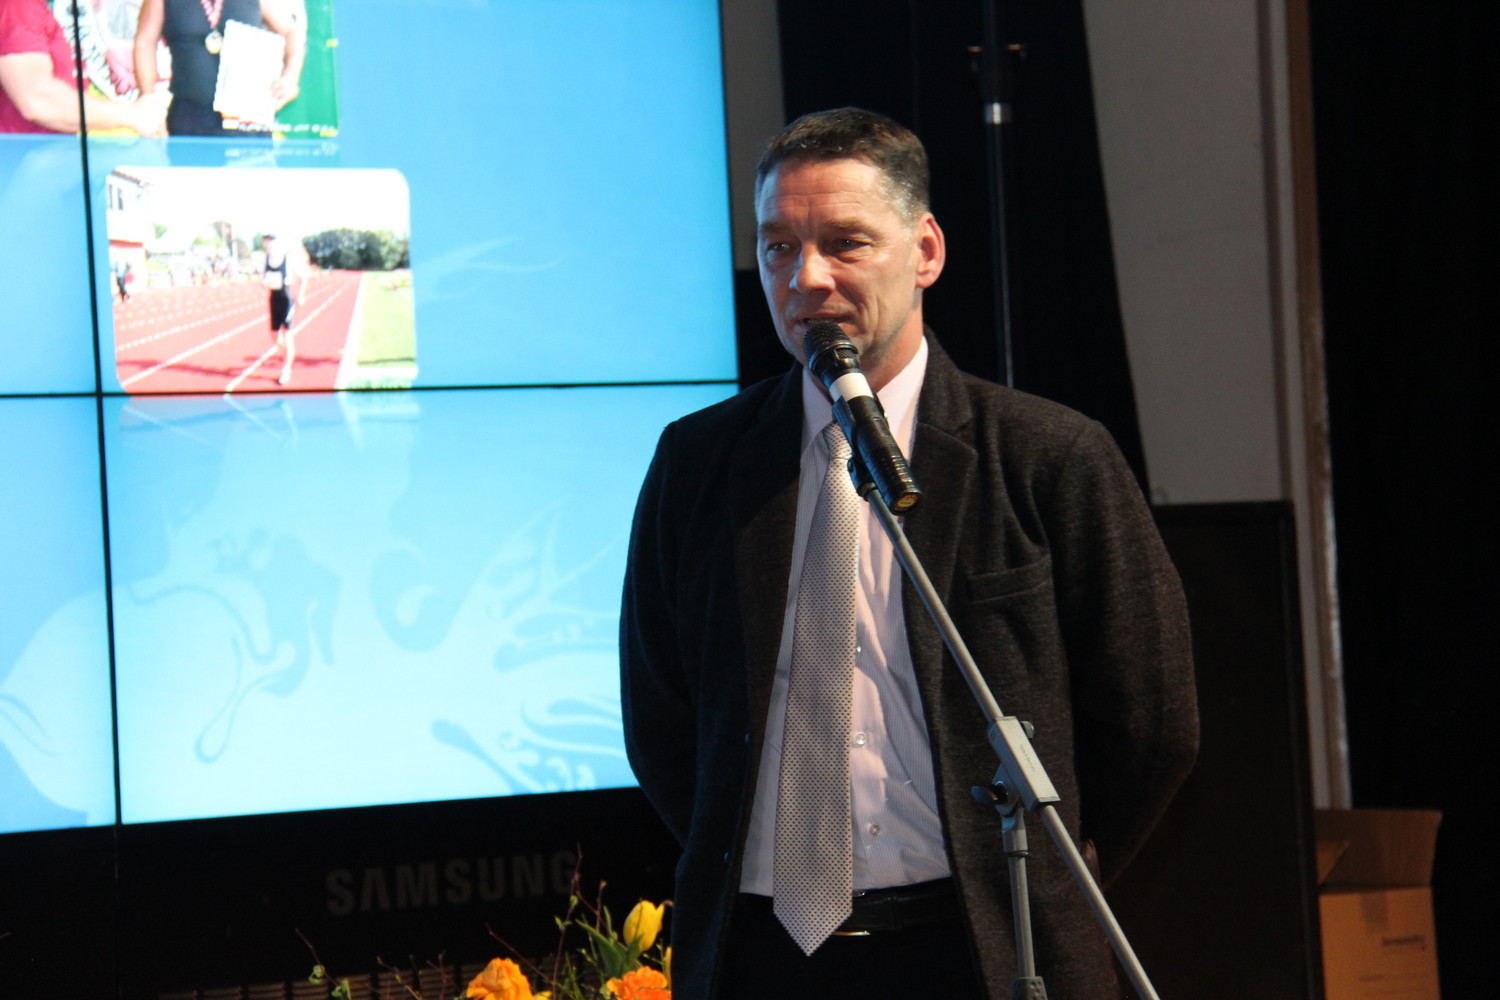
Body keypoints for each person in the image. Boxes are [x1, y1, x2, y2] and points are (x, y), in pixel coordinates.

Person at [620, 108, 1198, 1000]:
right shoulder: (700, 463)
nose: (806, 278)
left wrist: (1041, 884)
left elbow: (1150, 721)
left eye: (844, 243)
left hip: (982, 950)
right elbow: (661, 720)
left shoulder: (1049, 455)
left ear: (925, 251)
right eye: (778, 248)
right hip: (762, 954)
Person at [132, 0, 305, 137]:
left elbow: (291, 30)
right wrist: (148, 99)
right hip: (189, 119)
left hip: (248, 120)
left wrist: (291, 74)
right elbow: (145, 43)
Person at [1, 0, 165, 135]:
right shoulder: (18, 6)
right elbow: (38, 98)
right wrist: (133, 115)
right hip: (22, 157)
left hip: (46, 152)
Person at [261, 233, 306, 385]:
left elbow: (303, 277)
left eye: (270, 242)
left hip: (286, 299)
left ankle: (286, 370)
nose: (268, 245)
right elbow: (263, 278)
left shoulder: (288, 259)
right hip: (273, 298)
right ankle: (287, 353)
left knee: (287, 335)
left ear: (277, 244)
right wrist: (264, 283)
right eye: (266, 242)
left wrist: (301, 295)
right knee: (274, 335)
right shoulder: (266, 260)